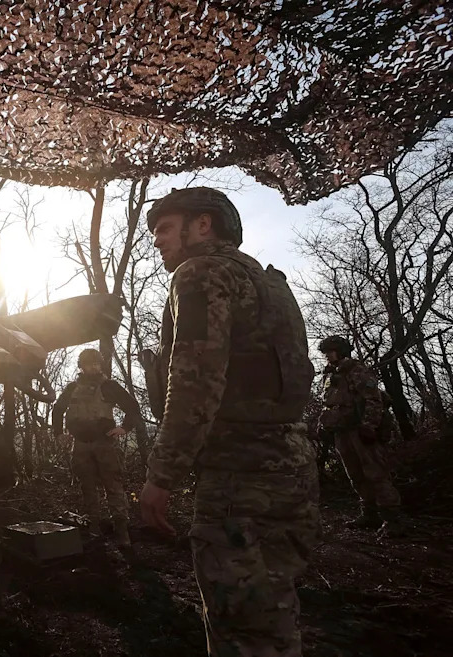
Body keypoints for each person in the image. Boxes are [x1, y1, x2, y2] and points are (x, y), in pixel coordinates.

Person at [138, 187, 319, 657]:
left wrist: (163, 475)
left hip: (239, 482)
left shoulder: (199, 273)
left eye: (163, 228)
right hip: (293, 469)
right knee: (274, 614)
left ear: (202, 225)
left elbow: (196, 383)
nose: (156, 241)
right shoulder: (268, 282)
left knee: (239, 629)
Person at [317, 335, 405, 536]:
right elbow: (329, 403)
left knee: (376, 474)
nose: (327, 356)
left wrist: (369, 426)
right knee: (356, 475)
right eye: (325, 352)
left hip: (360, 429)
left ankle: (392, 520)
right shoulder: (330, 375)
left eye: (330, 351)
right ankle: (370, 515)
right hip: (342, 430)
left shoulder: (357, 370)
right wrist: (324, 426)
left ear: (341, 351)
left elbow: (373, 399)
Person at [52, 348, 140, 547]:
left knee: (113, 485)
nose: (93, 367)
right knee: (88, 487)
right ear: (81, 366)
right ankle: (95, 527)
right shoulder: (71, 389)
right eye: (89, 364)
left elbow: (132, 406)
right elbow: (57, 409)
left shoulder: (109, 386)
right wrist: (59, 433)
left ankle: (121, 530)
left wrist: (124, 428)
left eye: (96, 364)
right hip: (81, 444)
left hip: (105, 443)